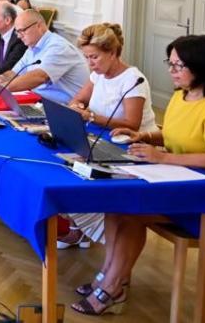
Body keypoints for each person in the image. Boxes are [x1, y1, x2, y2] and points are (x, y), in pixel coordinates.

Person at [71, 34, 205, 316]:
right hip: (181, 178)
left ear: (201, 65)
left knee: (133, 210)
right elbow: (173, 135)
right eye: (170, 63)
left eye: (178, 65)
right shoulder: (181, 95)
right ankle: (110, 276)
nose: (171, 71)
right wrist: (144, 136)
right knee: (116, 205)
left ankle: (112, 287)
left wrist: (163, 157)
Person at [55, 23, 158, 250]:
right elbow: (77, 100)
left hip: (132, 147)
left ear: (112, 53)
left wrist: (91, 116)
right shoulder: (97, 75)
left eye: (94, 57)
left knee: (79, 174)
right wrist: (77, 106)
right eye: (86, 57)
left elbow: (132, 124)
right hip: (103, 139)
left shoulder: (133, 79)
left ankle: (85, 230)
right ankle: (78, 228)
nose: (90, 63)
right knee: (60, 164)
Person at [0, 9, 87, 105]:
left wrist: (3, 88)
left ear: (39, 26)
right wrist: (2, 78)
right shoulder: (32, 47)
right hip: (40, 102)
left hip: (63, 107)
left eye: (22, 30)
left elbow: (39, 76)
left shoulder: (58, 47)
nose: (19, 36)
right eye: (17, 32)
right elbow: (16, 72)